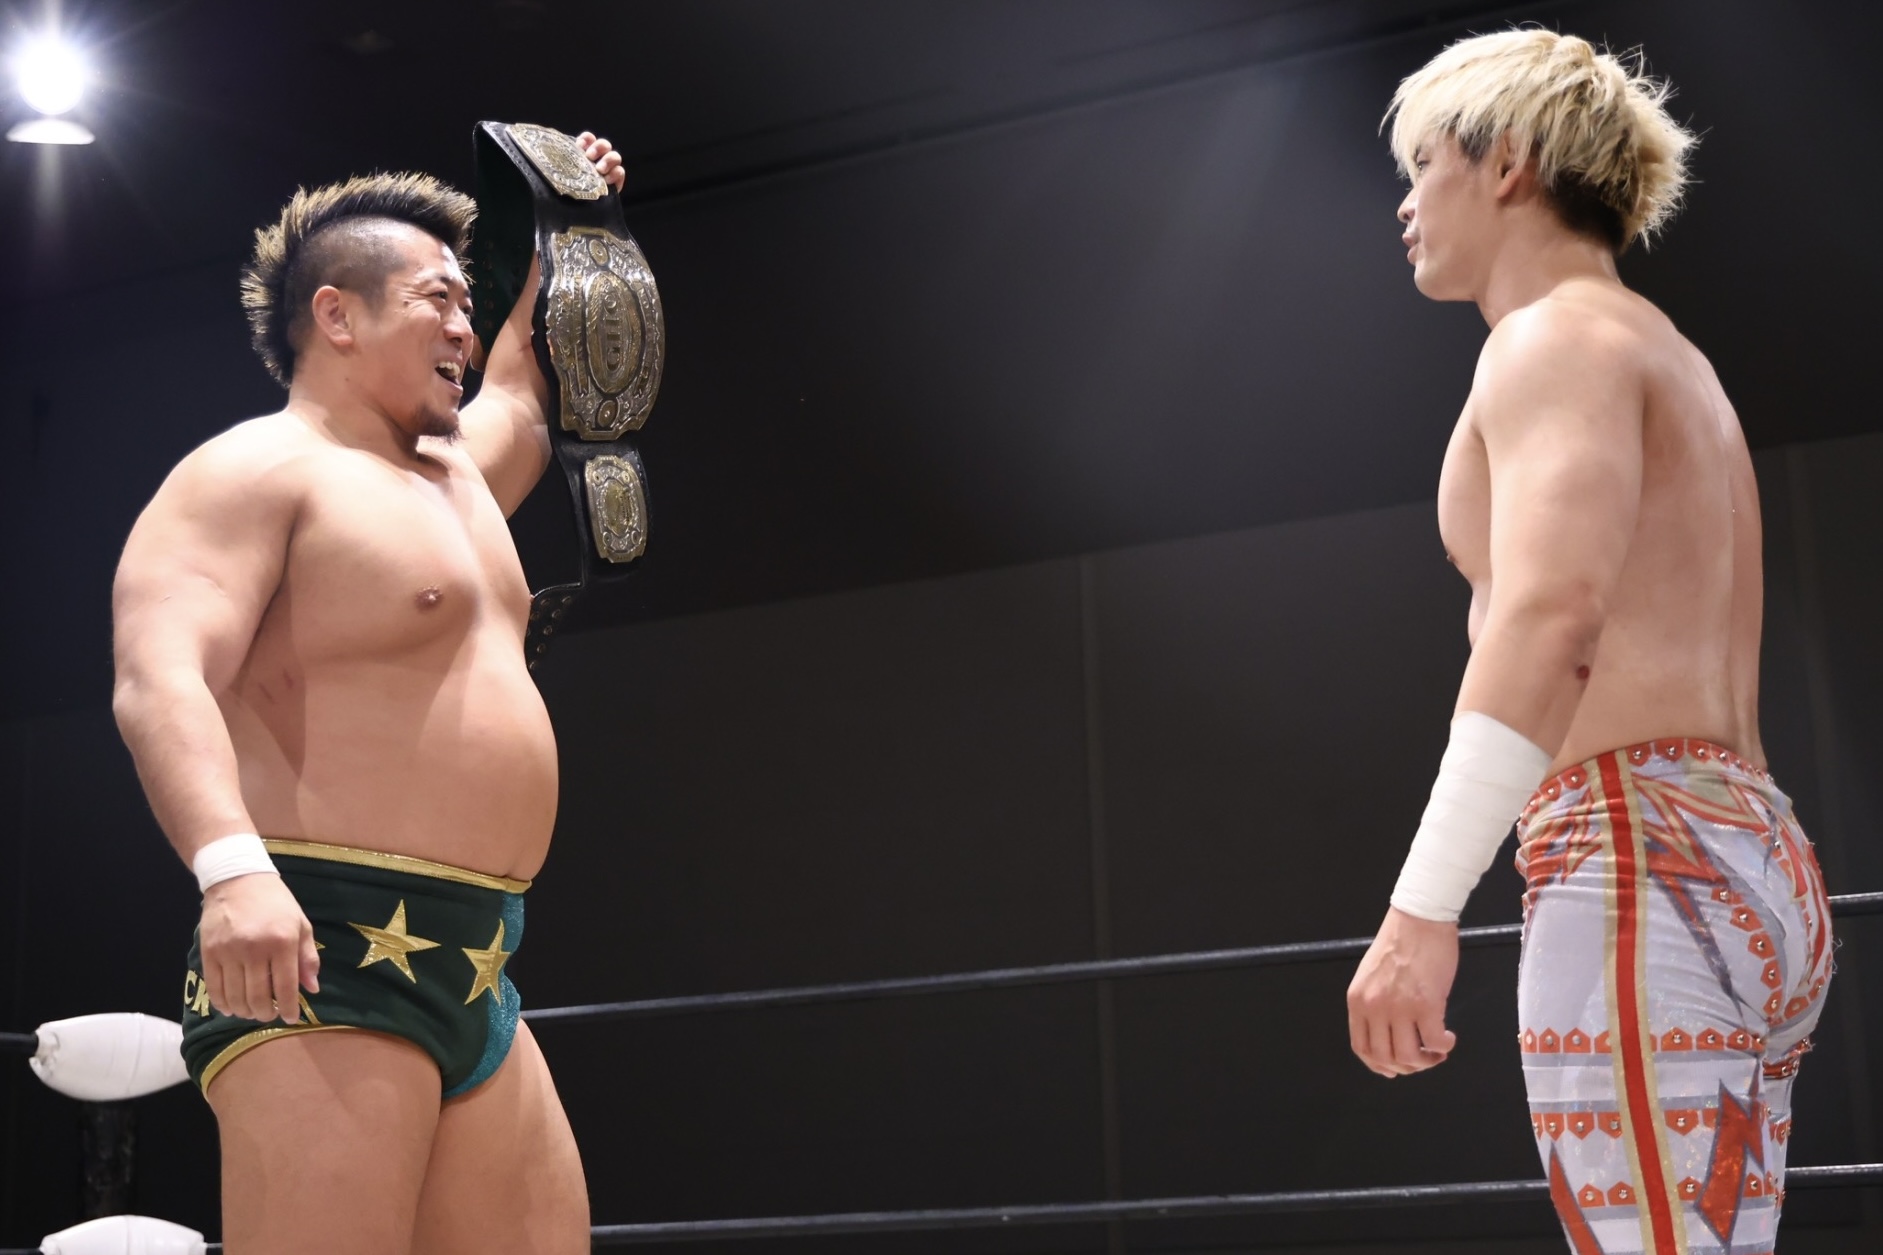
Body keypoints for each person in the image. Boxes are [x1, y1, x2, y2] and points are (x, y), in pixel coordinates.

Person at [1344, 30, 1833, 1255]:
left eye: (1423, 165)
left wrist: (1420, 906)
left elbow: (1551, 614)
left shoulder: (1550, 340)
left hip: (1637, 861)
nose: (1405, 203)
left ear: (1506, 162)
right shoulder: (1667, 352)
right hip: (1746, 848)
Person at [111, 132, 626, 1254]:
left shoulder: (461, 478)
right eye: (437, 300)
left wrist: (568, 214)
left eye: (466, 306)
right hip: (318, 947)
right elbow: (160, 678)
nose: (462, 328)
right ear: (337, 316)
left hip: (477, 957)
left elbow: (530, 376)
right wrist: (230, 872)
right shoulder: (252, 471)